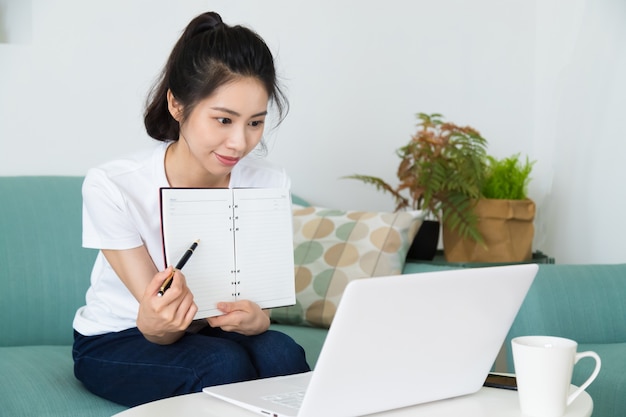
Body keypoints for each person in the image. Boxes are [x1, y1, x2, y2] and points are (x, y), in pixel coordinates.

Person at [72, 11, 310, 407]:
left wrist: (258, 319)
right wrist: (160, 320)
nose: (239, 142)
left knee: (282, 353)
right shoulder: (114, 186)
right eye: (223, 120)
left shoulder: (268, 183)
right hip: (121, 337)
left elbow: (255, 305)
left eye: (255, 122)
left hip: (210, 332)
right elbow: (157, 329)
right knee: (222, 363)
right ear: (177, 105)